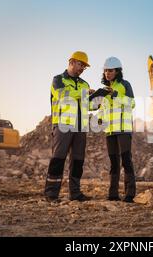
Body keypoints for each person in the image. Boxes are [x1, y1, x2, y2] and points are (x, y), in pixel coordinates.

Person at [44, 51, 95, 202]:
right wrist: (84, 93)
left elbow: (88, 105)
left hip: (80, 127)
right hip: (63, 125)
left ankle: (75, 193)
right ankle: (51, 194)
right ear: (72, 62)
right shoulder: (58, 79)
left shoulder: (84, 84)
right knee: (58, 158)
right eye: (81, 65)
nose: (82, 69)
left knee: (78, 161)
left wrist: (99, 99)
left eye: (84, 67)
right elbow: (63, 95)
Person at [98, 57, 136, 203]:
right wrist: (100, 118)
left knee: (126, 160)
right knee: (114, 162)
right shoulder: (105, 89)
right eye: (106, 70)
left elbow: (131, 103)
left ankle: (129, 194)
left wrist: (116, 95)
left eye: (110, 70)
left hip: (123, 129)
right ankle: (113, 194)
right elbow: (103, 107)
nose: (107, 73)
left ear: (117, 71)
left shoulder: (125, 85)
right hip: (110, 131)